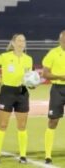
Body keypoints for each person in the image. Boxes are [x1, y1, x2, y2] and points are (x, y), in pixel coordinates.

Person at [0, 34, 33, 165]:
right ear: (13, 43)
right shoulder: (5, 57)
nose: (21, 43)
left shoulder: (29, 59)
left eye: (23, 41)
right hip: (7, 92)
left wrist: (32, 84)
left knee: (22, 126)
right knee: (2, 125)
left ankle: (23, 156)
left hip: (22, 93)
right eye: (18, 41)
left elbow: (30, 76)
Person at [42, 30, 65, 165]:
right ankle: (48, 155)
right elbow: (45, 74)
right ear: (60, 40)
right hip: (57, 89)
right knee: (53, 121)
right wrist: (59, 76)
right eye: (63, 39)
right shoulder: (53, 53)